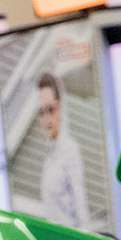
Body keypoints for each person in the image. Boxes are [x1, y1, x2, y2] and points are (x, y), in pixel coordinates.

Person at [36, 72, 89, 230]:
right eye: (42, 112)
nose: (47, 119)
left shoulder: (69, 149)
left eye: (51, 109)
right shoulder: (49, 157)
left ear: (60, 108)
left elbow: (80, 200)